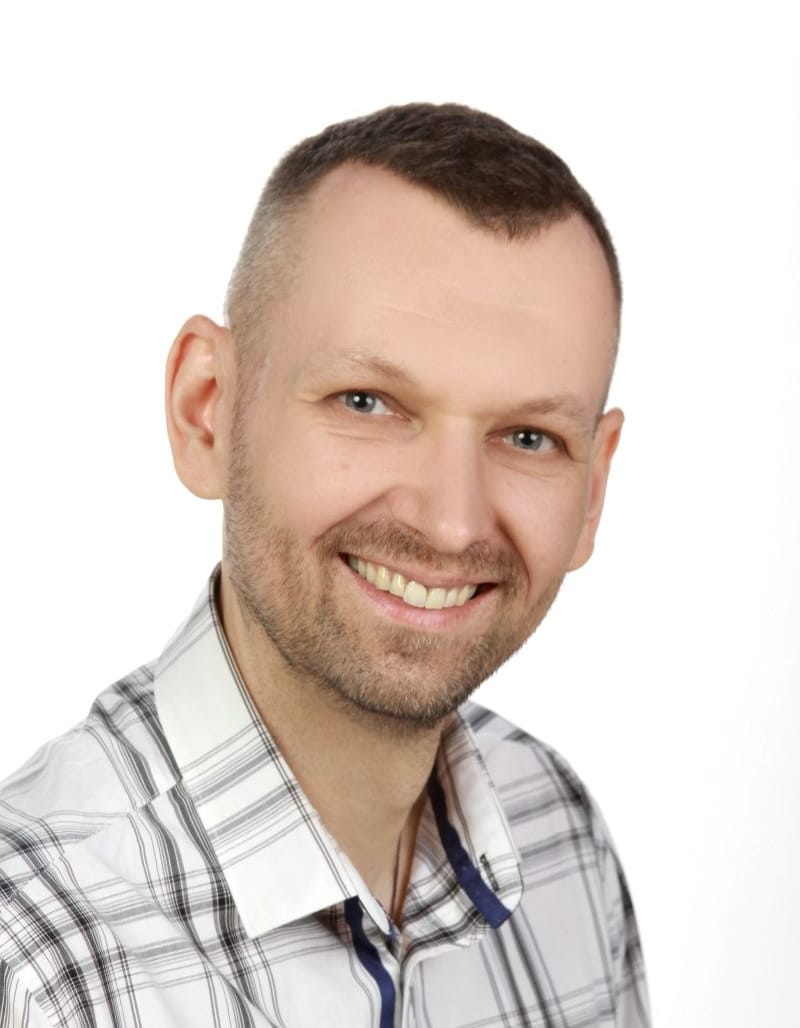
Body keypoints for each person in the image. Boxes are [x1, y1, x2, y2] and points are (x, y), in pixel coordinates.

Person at [0, 103, 650, 1027]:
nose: (452, 522)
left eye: (528, 437)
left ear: (592, 491)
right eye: (367, 401)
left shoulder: (560, 840)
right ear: (207, 410)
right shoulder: (32, 960)